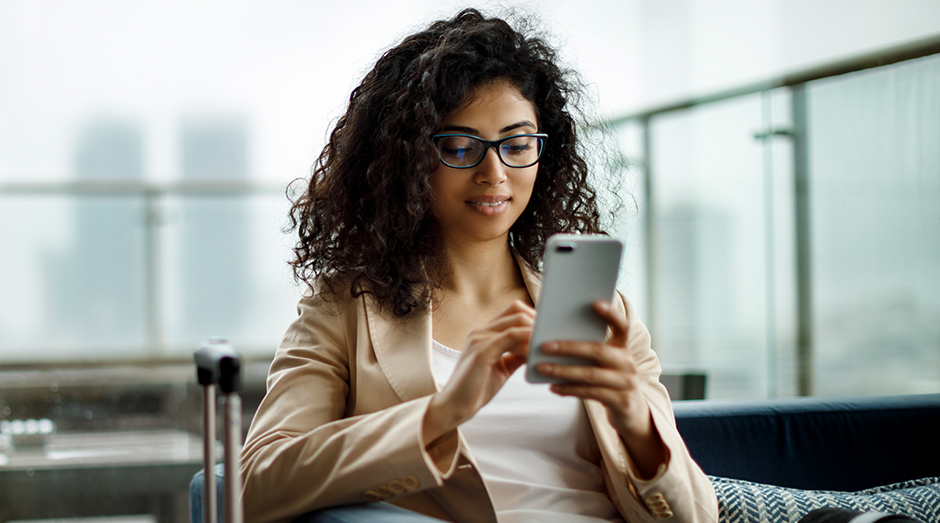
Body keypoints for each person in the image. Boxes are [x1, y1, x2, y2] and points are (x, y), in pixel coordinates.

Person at [239, 8, 718, 523]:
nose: (495, 173)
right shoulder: (344, 309)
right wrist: (443, 413)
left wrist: (636, 422)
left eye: (516, 145)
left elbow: (695, 516)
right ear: (408, 159)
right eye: (461, 147)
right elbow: (255, 484)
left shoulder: (601, 313)